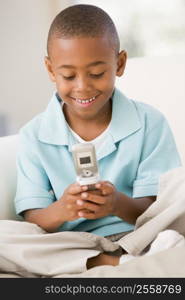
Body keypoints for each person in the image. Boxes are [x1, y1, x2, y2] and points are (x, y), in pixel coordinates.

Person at [13, 4, 181, 272]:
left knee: (181, 191)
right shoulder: (34, 135)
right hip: (71, 243)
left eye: (96, 74)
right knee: (5, 235)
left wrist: (116, 204)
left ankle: (146, 255)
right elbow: (35, 218)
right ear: (50, 69)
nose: (82, 86)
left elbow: (157, 210)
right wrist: (64, 209)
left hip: (141, 235)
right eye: (68, 75)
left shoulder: (150, 121)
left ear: (120, 63)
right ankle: (108, 262)